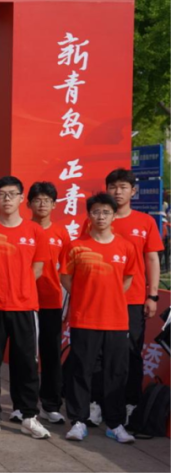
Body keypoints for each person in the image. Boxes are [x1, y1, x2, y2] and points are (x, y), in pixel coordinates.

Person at [0, 176, 51, 440]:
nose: (7, 199)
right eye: (2, 194)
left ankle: (28, 415)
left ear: (21, 199)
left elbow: (38, 268)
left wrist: (20, 287)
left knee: (27, 362)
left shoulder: (34, 231)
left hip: (25, 306)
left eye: (12, 194)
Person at [60, 193, 139, 444]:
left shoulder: (126, 247)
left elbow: (127, 280)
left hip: (116, 320)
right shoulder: (76, 246)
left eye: (106, 212)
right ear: (89, 215)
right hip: (84, 318)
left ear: (114, 216)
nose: (101, 216)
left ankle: (115, 424)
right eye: (96, 211)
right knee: (81, 370)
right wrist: (86, 296)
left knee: (115, 372)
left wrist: (109, 297)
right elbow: (66, 277)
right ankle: (79, 421)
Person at [104, 168, 163, 420]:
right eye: (113, 187)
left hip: (133, 298)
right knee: (99, 353)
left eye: (123, 187)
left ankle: (130, 403)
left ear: (133, 191)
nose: (118, 192)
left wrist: (153, 295)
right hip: (100, 299)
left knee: (131, 352)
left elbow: (152, 259)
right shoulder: (98, 218)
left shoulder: (145, 222)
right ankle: (97, 403)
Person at [27, 182, 72, 425]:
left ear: (54, 205)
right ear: (29, 204)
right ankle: (24, 404)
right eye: (37, 199)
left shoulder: (61, 233)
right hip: (25, 300)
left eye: (47, 200)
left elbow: (67, 271)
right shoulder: (24, 230)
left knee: (51, 353)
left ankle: (50, 405)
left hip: (52, 300)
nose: (42, 204)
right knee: (26, 354)